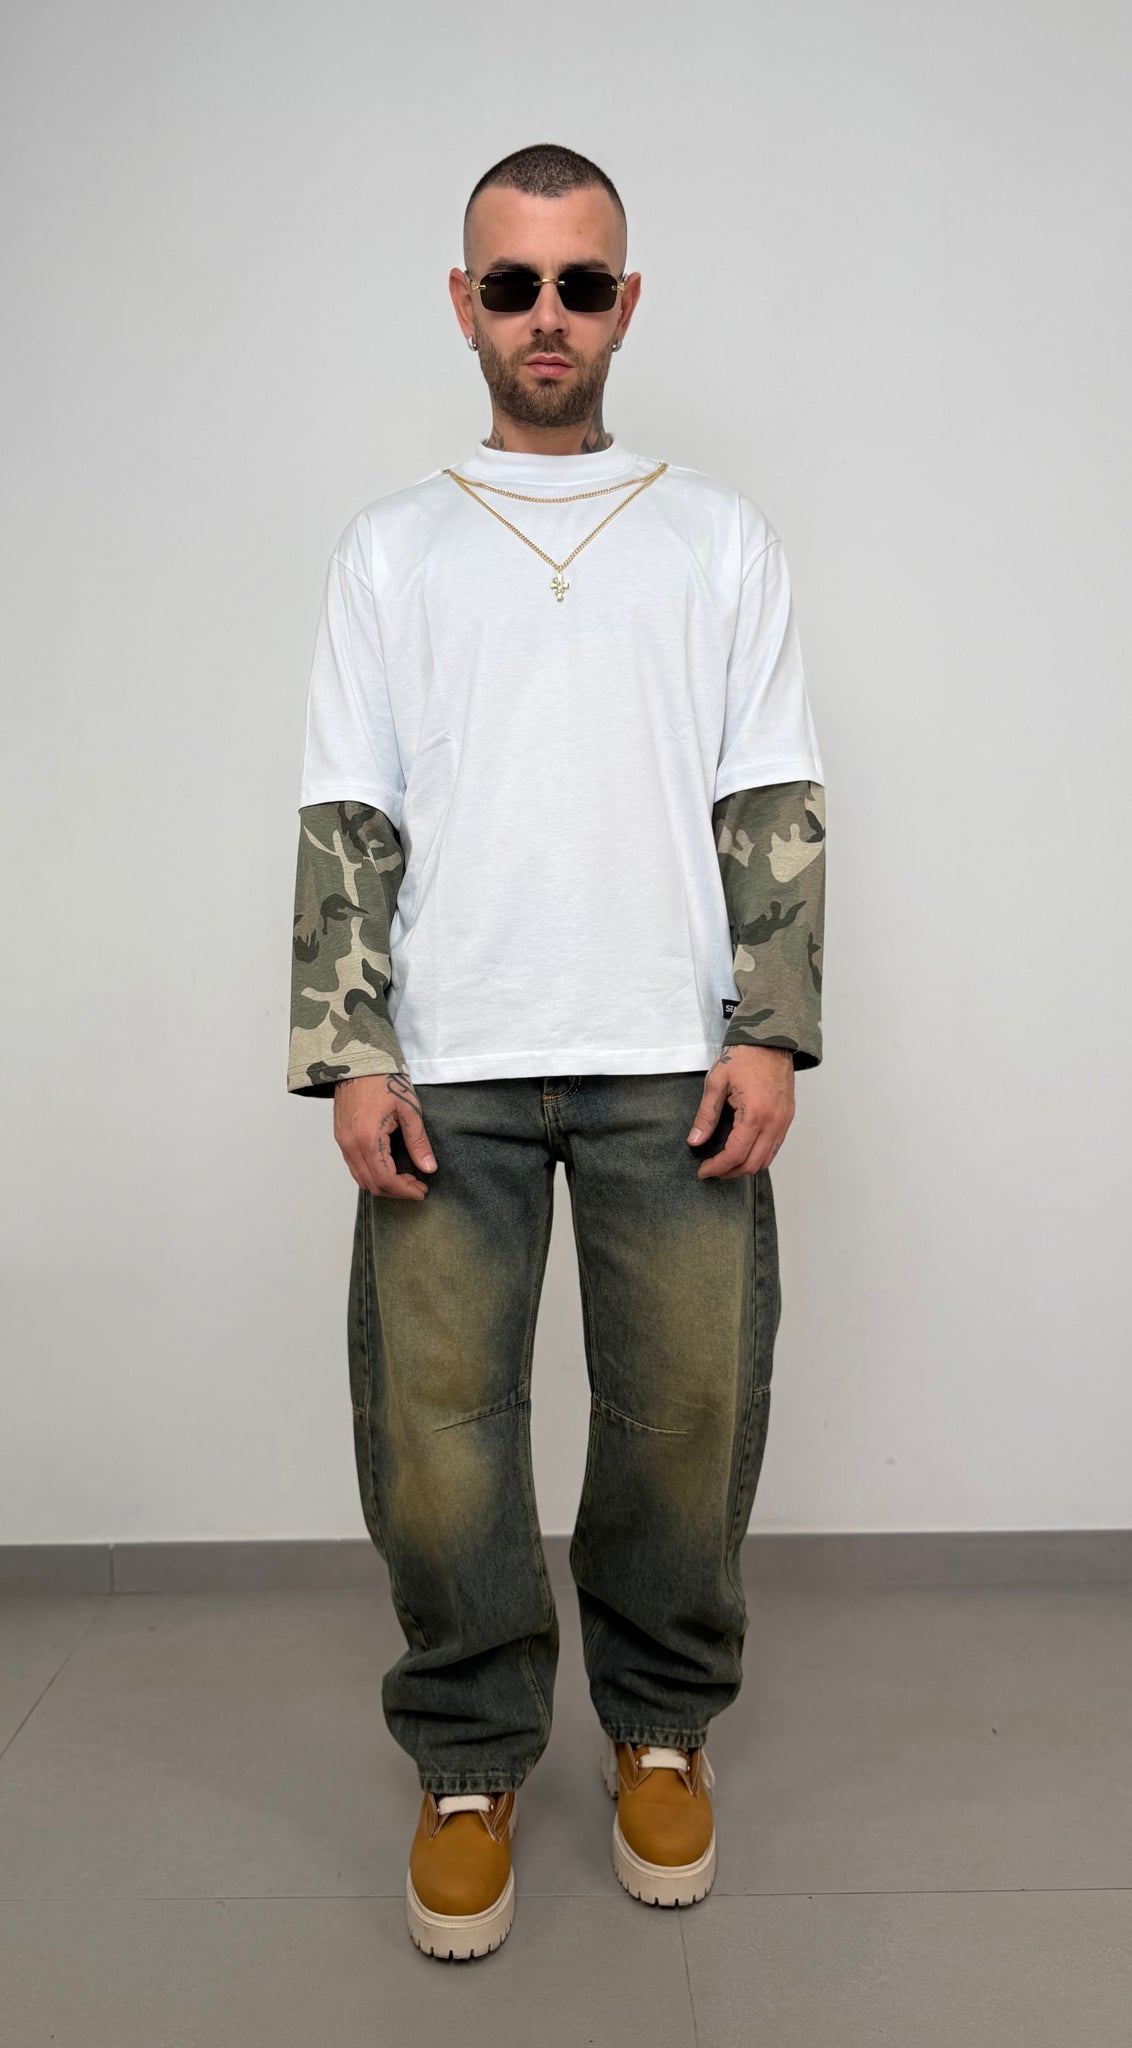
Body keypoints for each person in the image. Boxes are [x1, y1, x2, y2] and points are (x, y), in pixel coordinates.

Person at [287, 141, 826, 1962]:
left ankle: (660, 1729)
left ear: (625, 303)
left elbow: (770, 794)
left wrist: (773, 1029)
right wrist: (352, 1053)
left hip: (673, 1056)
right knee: (441, 1438)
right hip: (448, 1062)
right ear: (463, 301)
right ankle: (468, 1758)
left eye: (579, 284)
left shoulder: (716, 535)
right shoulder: (392, 543)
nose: (545, 315)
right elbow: (349, 809)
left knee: (686, 1416)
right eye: (510, 283)